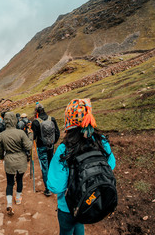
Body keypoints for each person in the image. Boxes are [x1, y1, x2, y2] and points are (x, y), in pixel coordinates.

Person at [47, 98, 116, 235]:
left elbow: (55, 186)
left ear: (69, 119)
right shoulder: (101, 141)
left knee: (67, 229)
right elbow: (111, 165)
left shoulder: (64, 149)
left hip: (68, 207)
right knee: (80, 224)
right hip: (89, 201)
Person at [0, 112, 33, 216]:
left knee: (9, 183)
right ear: (14, 120)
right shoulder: (21, 133)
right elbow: (28, 146)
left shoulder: (1, 135)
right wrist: (30, 135)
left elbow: (0, 150)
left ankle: (9, 204)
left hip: (9, 160)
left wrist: (2, 157)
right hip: (21, 160)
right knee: (19, 180)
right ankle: (18, 198)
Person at [31, 102, 60, 196]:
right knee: (51, 164)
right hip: (51, 146)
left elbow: (33, 137)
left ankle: (48, 190)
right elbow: (57, 133)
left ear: (36, 112)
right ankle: (54, 185)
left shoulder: (35, 122)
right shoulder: (52, 119)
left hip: (41, 147)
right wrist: (53, 142)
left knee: (45, 167)